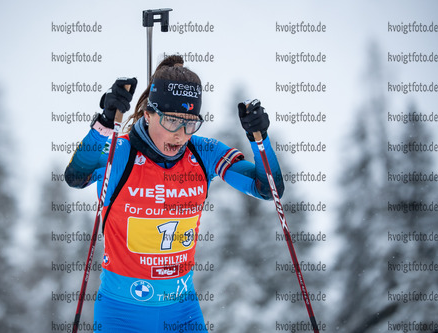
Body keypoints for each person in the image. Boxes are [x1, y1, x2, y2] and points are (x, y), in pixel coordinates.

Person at [64, 55, 284, 333]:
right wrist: (105, 123)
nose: (180, 134)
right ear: (148, 114)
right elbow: (75, 177)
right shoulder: (121, 153)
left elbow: (269, 190)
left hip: (182, 312)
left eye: (190, 123)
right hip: (122, 314)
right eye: (171, 121)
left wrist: (259, 139)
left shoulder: (203, 153)